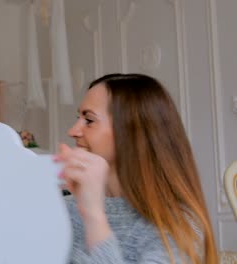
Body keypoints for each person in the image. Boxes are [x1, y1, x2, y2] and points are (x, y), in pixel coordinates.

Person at [55, 73, 217, 263]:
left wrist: (93, 215)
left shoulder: (179, 223)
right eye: (78, 118)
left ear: (131, 132)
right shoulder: (65, 210)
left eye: (89, 120)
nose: (73, 131)